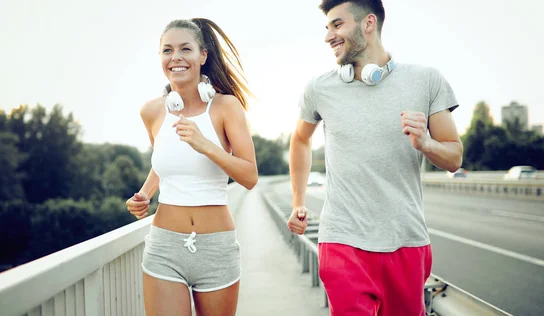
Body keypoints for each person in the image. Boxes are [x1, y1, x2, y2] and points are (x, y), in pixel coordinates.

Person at [287, 1, 463, 315]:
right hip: (341, 239)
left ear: (369, 23)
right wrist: (298, 200)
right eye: (327, 27)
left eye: (337, 25)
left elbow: (454, 157)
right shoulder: (319, 88)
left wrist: (426, 144)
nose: (328, 36)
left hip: (406, 241)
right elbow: (300, 139)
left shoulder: (426, 80)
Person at [125, 18, 257, 316]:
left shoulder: (226, 107)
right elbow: (165, 161)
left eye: (186, 49)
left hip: (216, 247)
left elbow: (249, 176)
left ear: (203, 56)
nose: (176, 57)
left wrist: (206, 145)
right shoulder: (151, 111)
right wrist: (145, 193)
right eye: (167, 50)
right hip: (164, 246)